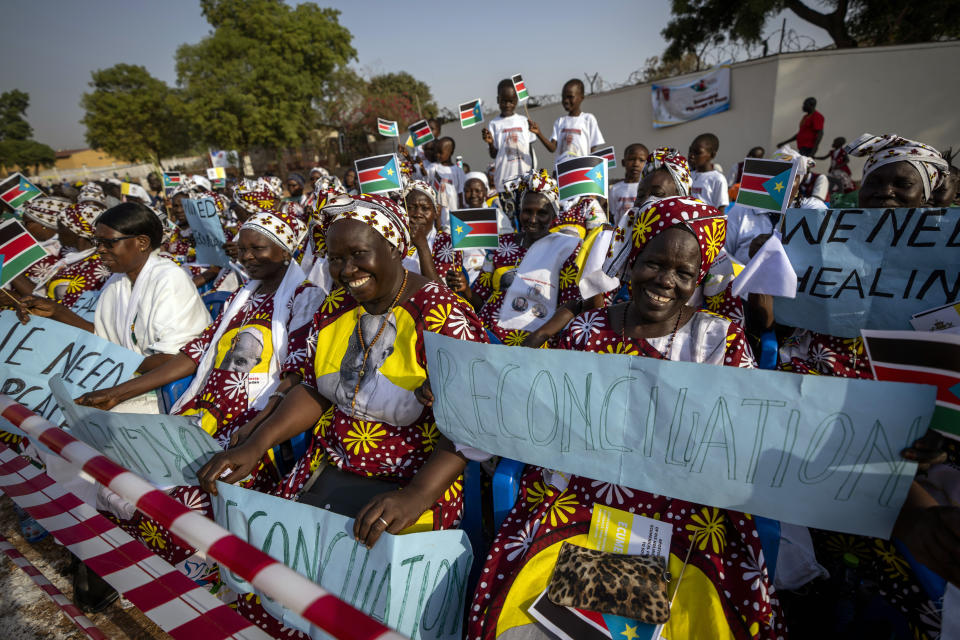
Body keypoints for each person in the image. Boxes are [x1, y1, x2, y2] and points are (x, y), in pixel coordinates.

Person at [467, 196, 788, 640]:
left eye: (683, 274)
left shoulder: (718, 339)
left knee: (704, 615)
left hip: (682, 507)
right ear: (633, 260)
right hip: (579, 494)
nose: (665, 282)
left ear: (698, 279)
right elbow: (540, 410)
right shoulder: (585, 330)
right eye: (654, 264)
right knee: (524, 605)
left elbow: (743, 433)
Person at [196, 193, 487, 636]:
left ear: (394, 249)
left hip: (410, 483)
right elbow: (315, 391)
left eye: (358, 255)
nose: (347, 270)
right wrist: (256, 444)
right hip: (327, 468)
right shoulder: (337, 307)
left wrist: (415, 496)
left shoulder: (443, 314)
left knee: (365, 607)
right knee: (274, 583)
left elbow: (471, 424)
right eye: (335, 258)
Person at [73, 211, 322, 589]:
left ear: (286, 252)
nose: (248, 256)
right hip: (201, 413)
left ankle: (190, 584)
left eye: (259, 248)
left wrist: (253, 433)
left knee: (187, 498)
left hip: (253, 424)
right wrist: (116, 393)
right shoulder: (242, 297)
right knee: (123, 471)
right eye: (244, 249)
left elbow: (294, 378)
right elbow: (193, 355)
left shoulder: (304, 300)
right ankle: (132, 571)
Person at [21, 202, 210, 378]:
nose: (101, 250)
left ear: (142, 242)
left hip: (166, 386)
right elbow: (106, 337)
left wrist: (112, 370)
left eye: (109, 242)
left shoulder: (169, 278)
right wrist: (56, 311)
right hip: (128, 374)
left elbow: (174, 358)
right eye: (97, 242)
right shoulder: (118, 280)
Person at [445, 169, 583, 346]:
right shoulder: (502, 245)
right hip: (489, 337)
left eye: (541, 213)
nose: (533, 219)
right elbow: (480, 298)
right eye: (527, 211)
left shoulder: (566, 249)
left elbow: (571, 305)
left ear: (554, 216)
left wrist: (538, 337)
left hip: (536, 344)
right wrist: (465, 289)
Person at [401, 179, 462, 283]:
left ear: (436, 212)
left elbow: (441, 291)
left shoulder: (447, 242)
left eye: (425, 209)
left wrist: (422, 246)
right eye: (411, 208)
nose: (417, 214)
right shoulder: (395, 239)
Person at [483, 79, 537, 195]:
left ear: (517, 100)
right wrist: (490, 143)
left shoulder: (523, 121)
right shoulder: (494, 124)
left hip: (525, 178)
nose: (507, 105)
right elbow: (493, 155)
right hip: (504, 180)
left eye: (511, 101)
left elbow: (531, 151)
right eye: (504, 101)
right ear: (498, 100)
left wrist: (533, 173)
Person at [530, 78, 605, 161]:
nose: (566, 100)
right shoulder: (560, 122)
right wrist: (539, 133)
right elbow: (552, 148)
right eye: (563, 97)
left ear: (581, 98)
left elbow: (593, 149)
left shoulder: (588, 119)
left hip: (580, 170)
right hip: (563, 171)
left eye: (570, 97)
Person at [11, 196, 72, 296]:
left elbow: (43, 296)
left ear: (44, 223)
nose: (24, 227)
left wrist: (10, 269)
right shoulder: (33, 247)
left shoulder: (64, 251)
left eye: (27, 223)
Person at [427, 136, 465, 223]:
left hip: (453, 206)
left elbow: (461, 191)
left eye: (440, 152)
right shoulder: (434, 167)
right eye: (436, 152)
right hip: (439, 206)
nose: (437, 155)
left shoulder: (457, 170)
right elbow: (426, 176)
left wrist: (462, 209)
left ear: (450, 152)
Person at [608, 143, 649, 222]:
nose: (636, 164)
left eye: (641, 160)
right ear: (623, 162)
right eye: (631, 159)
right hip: (620, 232)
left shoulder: (648, 187)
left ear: (647, 164)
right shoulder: (614, 189)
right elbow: (612, 214)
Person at [688, 132, 729, 211]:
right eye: (690, 151)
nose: (691, 156)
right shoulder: (688, 176)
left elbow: (721, 210)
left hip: (707, 222)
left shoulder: (717, 179)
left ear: (712, 155)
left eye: (697, 152)